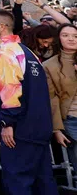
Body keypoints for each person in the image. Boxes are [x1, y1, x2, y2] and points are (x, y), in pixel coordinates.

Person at [0, 7, 58, 195]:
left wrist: (7, 122)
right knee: (43, 182)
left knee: (18, 182)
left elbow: (10, 88)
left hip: (20, 130)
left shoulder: (6, 52)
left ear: (2, 26)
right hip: (39, 128)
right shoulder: (28, 52)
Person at [44, 23, 77, 172]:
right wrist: (56, 129)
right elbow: (52, 99)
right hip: (71, 120)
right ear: (58, 38)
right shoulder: (49, 66)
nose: (71, 39)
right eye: (65, 35)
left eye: (75, 36)